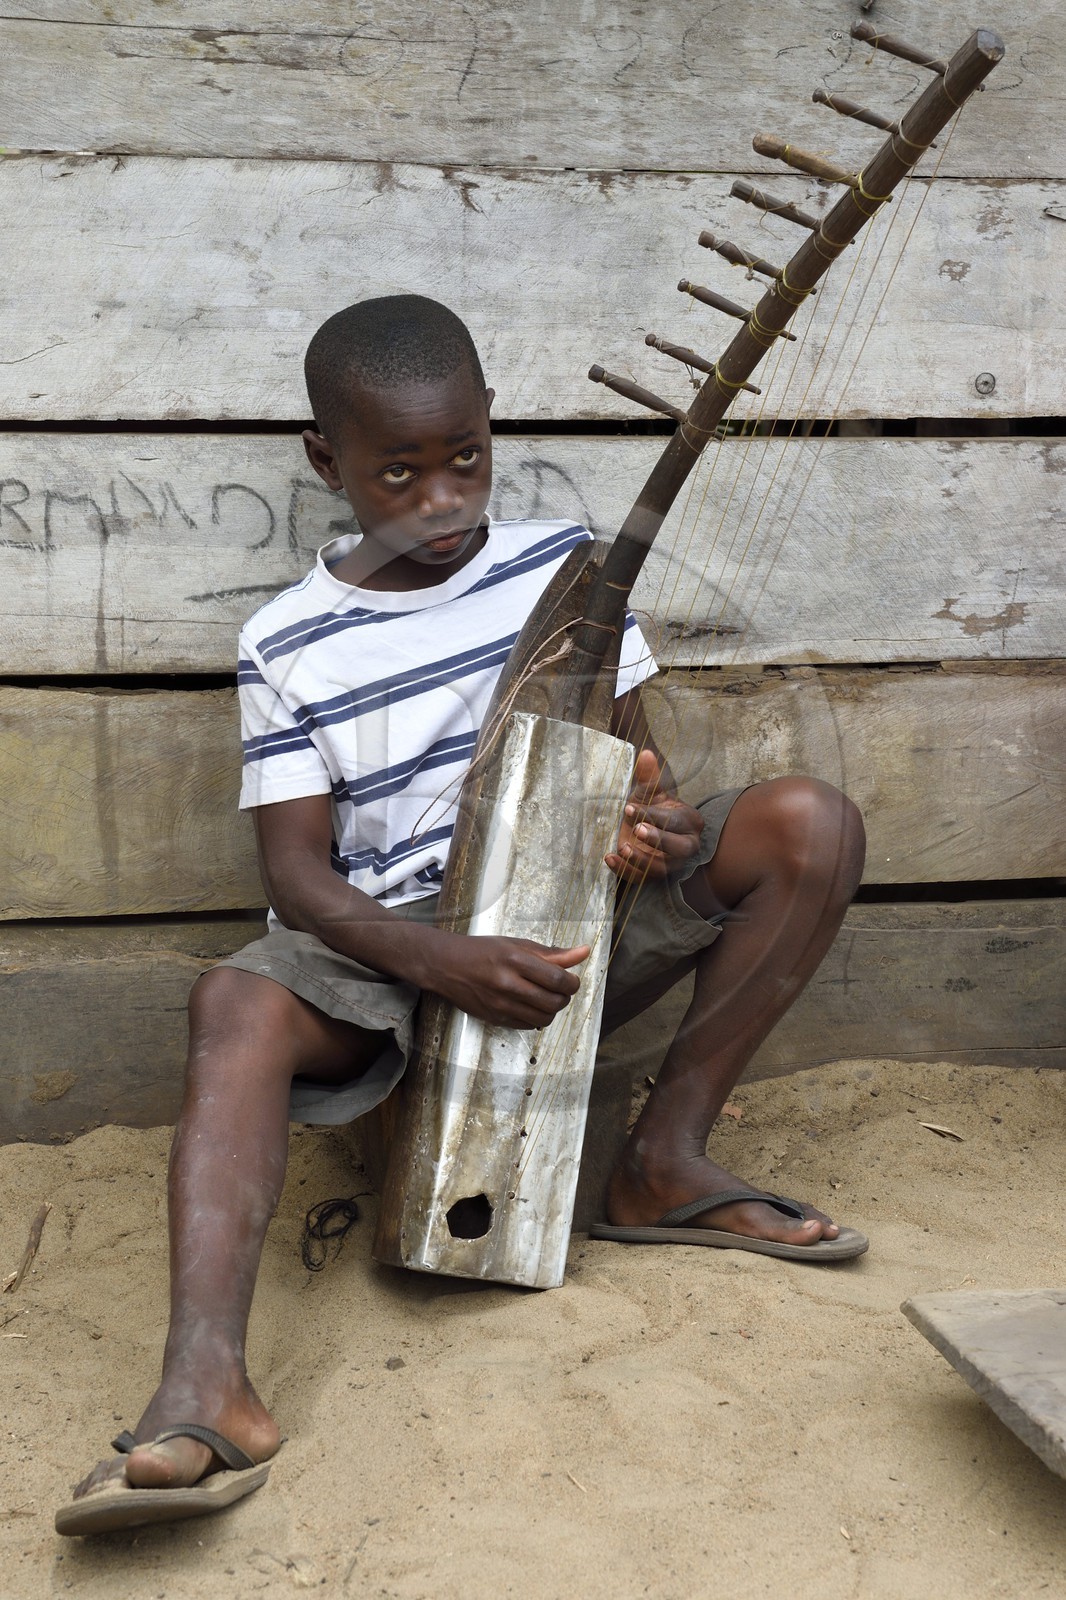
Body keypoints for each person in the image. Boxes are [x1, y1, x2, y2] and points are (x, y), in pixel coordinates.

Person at [57, 294, 866, 1536]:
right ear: (327, 461)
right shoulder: (289, 642)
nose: (442, 500)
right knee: (235, 999)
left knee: (807, 820)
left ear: (493, 431)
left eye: (464, 461)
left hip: (567, 926)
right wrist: (438, 957)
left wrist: (652, 831)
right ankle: (205, 1382)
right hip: (397, 956)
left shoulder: (568, 575)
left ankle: (662, 1163)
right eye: (398, 472)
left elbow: (633, 781)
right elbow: (299, 880)